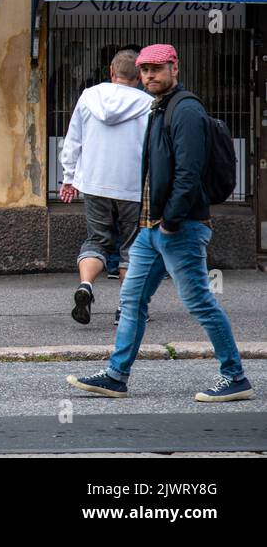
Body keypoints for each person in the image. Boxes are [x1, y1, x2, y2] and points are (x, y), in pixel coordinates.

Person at [69, 44, 255, 403]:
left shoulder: (185, 110)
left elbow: (189, 171)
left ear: (174, 67)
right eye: (145, 70)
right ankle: (116, 376)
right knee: (132, 299)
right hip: (149, 228)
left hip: (178, 227)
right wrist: (154, 223)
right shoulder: (157, 107)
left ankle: (235, 376)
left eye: (157, 69)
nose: (150, 76)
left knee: (199, 300)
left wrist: (170, 222)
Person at [59, 49, 150, 326]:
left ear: (111, 71)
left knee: (96, 240)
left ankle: (86, 285)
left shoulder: (89, 96)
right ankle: (125, 309)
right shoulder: (148, 104)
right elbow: (154, 149)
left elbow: (73, 138)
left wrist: (69, 177)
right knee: (131, 247)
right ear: (140, 77)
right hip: (132, 187)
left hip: (95, 183)